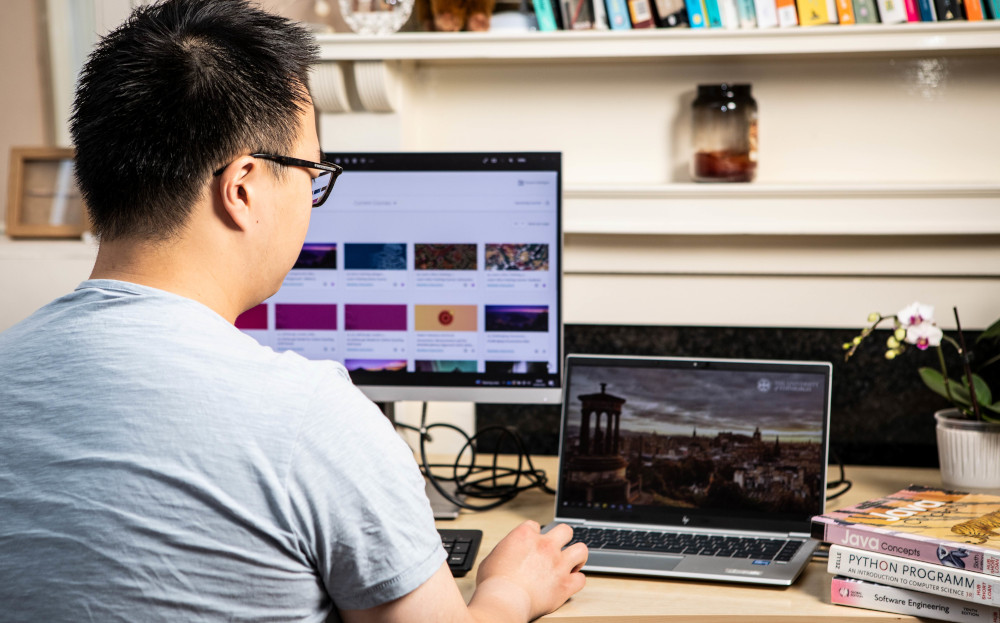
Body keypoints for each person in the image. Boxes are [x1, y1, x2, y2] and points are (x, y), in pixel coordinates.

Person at [0, 0, 587, 621]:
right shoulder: (312, 418)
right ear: (244, 187)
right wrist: (510, 592)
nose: (314, 197)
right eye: (313, 172)